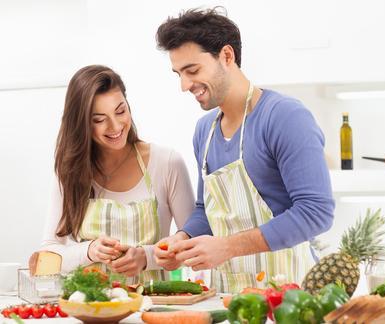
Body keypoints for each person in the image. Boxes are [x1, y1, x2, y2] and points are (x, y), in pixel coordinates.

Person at [153, 8, 335, 293]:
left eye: (192, 71)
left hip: (290, 297)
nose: (184, 85)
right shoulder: (205, 130)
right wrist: (182, 237)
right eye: (178, 74)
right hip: (229, 298)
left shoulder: (284, 117)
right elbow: (205, 210)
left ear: (227, 56)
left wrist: (226, 247)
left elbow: (316, 212)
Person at [39, 65, 195, 284]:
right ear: (81, 124)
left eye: (120, 111)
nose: (115, 126)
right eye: (99, 119)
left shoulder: (167, 162)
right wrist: (89, 251)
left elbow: (192, 244)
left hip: (154, 306)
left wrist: (147, 257)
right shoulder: (70, 171)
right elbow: (49, 253)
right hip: (93, 308)